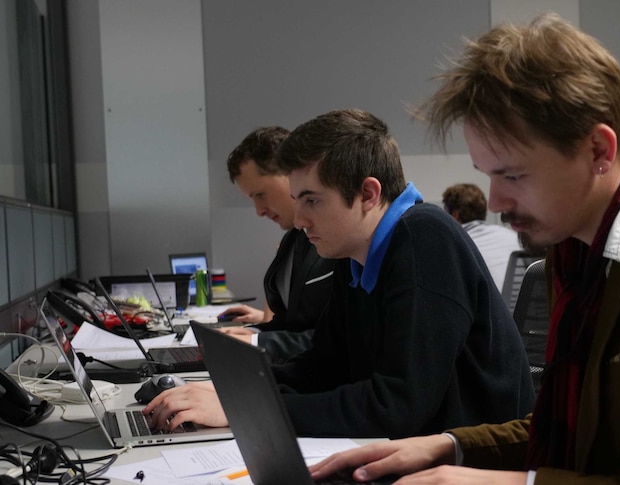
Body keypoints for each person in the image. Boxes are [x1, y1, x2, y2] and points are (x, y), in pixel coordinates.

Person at [309, 13, 620, 484]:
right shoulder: (571, 252)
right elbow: (571, 436)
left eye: (514, 175)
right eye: (489, 175)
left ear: (598, 151)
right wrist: (446, 447)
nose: (497, 200)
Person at [144, 109, 535, 438]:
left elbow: (397, 405)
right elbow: (323, 366)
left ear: (367, 194)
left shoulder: (423, 237)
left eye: (313, 200)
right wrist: (232, 392)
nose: (299, 219)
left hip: (466, 466)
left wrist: (249, 408)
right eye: (298, 200)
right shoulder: (357, 256)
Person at [218, 126, 337, 362]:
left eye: (260, 195)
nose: (259, 211)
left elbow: (337, 339)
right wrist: (254, 332)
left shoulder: (339, 240)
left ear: (290, 174)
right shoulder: (292, 241)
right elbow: (291, 322)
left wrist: (256, 340)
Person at [442, 183, 522, 292]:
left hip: (490, 306)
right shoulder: (513, 236)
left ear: (455, 214)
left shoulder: (452, 245)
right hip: (522, 306)